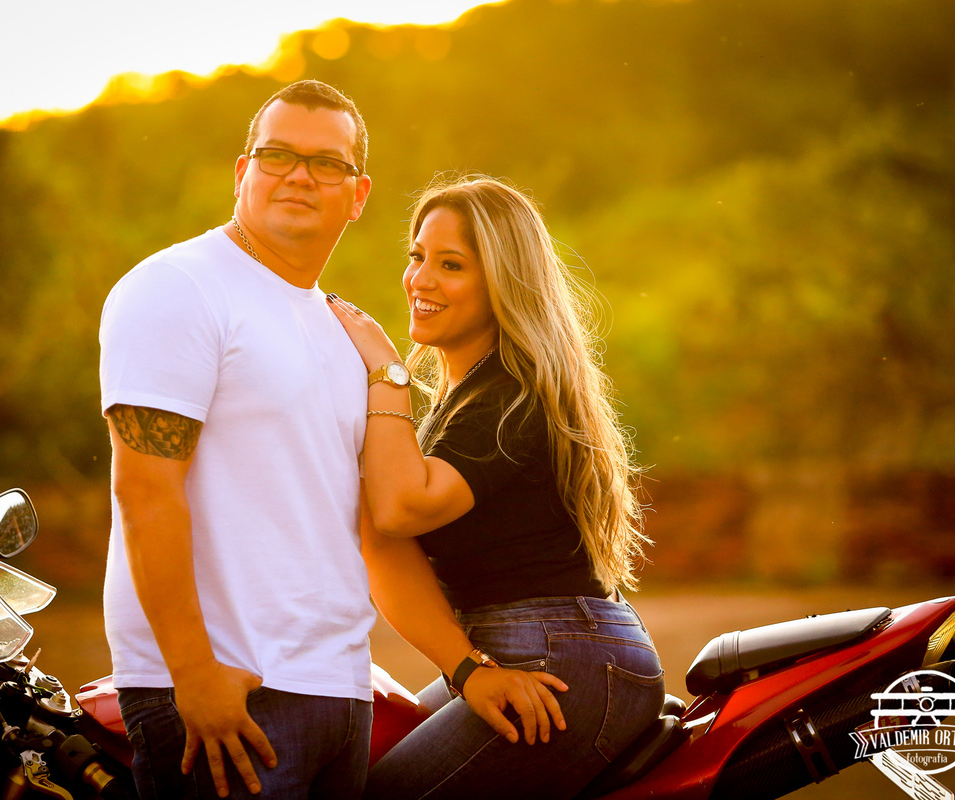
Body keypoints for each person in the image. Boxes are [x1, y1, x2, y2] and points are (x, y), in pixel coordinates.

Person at [100, 84, 565, 800]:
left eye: (326, 163)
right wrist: (191, 673)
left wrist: (465, 669)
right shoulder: (179, 288)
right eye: (277, 155)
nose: (299, 176)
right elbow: (145, 491)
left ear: (358, 195)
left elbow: (376, 534)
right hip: (227, 692)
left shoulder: (348, 336)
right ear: (242, 171)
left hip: (341, 696)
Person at [328, 176, 664, 799]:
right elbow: (380, 537)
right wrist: (465, 668)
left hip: (564, 657)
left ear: (503, 283)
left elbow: (401, 508)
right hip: (512, 645)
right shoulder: (459, 403)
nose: (420, 279)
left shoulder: (511, 396)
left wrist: (385, 369)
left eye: (450, 264)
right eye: (417, 256)